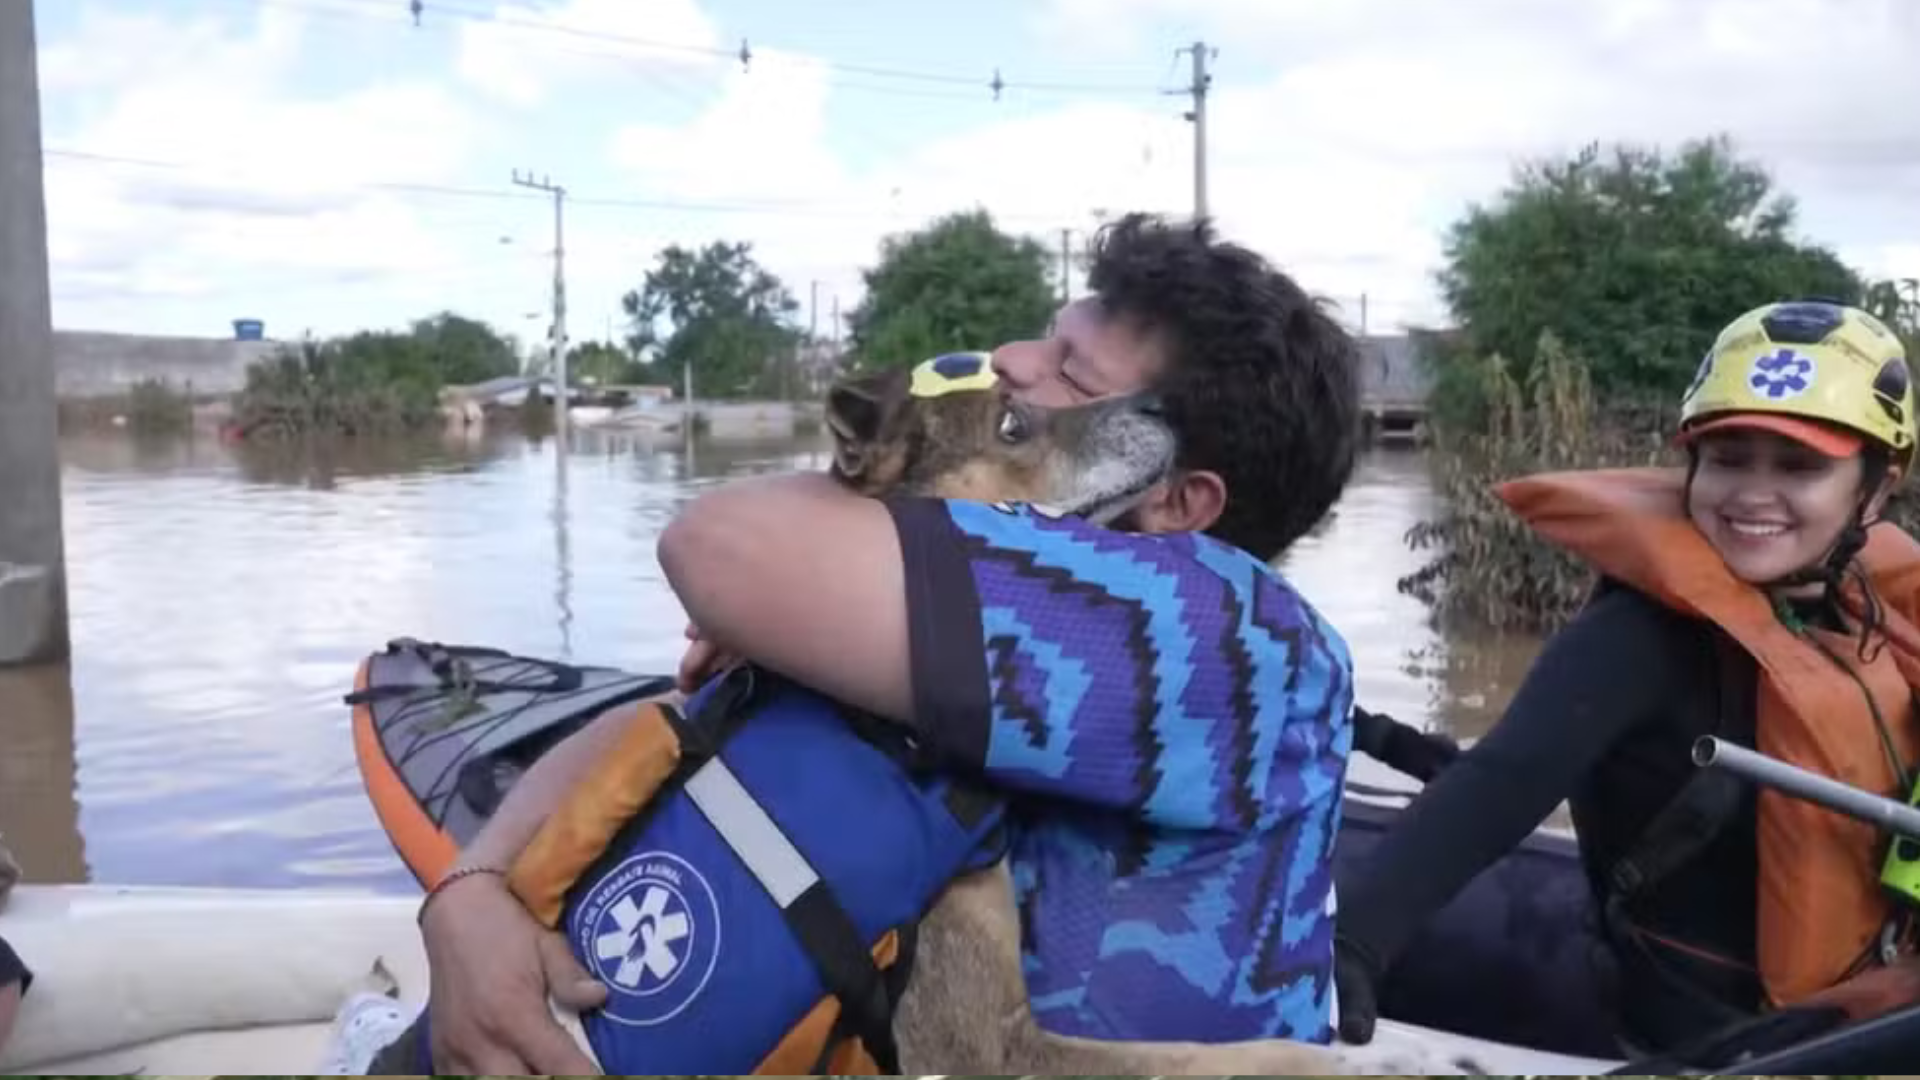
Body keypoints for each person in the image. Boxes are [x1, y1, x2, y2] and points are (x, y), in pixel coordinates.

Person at [371, 212, 1365, 1074]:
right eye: (1044, 335)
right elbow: (665, 725)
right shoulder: (1015, 624)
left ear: (1178, 503)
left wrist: (838, 529)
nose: (1013, 359)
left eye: (1068, 372)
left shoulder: (1215, 625)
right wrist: (473, 891)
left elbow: (711, 544)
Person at [1333, 298, 1920, 1057]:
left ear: (1876, 488)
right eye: (1729, 457)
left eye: (1800, 466)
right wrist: (1356, 941)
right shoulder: (1637, 637)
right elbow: (1501, 781)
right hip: (1710, 1046)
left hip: (1866, 1011)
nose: (1752, 493)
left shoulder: (1873, 616)